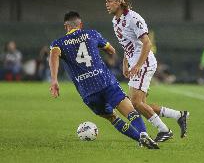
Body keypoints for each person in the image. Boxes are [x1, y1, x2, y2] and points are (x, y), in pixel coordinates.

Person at [49, 11, 159, 149]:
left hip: (87, 91)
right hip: (105, 82)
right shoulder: (92, 34)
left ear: (66, 26)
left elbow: (53, 55)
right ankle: (143, 134)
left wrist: (54, 80)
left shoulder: (58, 43)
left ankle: (139, 139)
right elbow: (111, 50)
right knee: (130, 111)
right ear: (80, 24)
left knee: (113, 118)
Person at [105, 0, 189, 142]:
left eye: (109, 1)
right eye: (106, 1)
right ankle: (179, 115)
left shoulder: (134, 18)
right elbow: (128, 44)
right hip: (134, 64)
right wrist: (125, 63)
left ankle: (164, 130)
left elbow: (147, 43)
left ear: (119, 2)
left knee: (135, 102)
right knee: (140, 104)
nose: (107, 4)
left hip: (144, 63)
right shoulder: (115, 21)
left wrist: (137, 65)